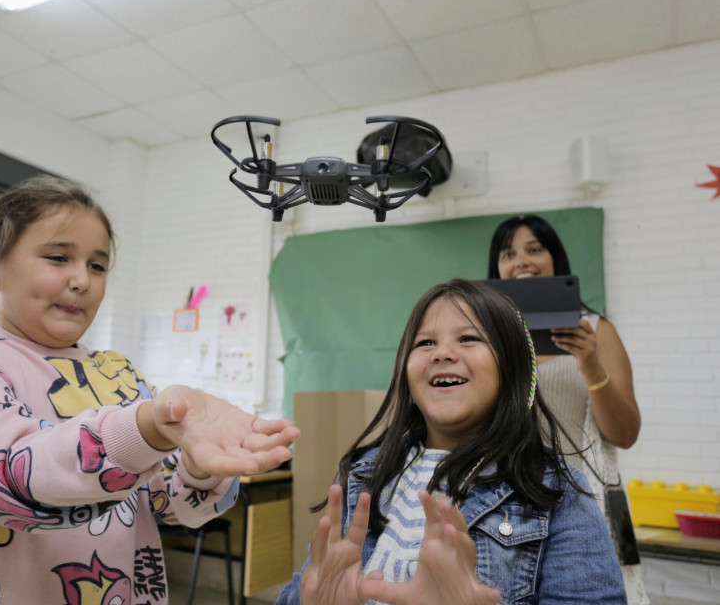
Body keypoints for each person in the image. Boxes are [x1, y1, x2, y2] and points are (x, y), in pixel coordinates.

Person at [0, 175, 300, 605]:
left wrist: (198, 464)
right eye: (57, 258)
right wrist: (143, 430)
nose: (81, 280)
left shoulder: (118, 374)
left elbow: (169, 503)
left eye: (97, 265)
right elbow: (7, 478)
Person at [277, 279, 626, 605]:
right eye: (425, 342)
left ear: (512, 368)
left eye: (468, 339)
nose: (442, 353)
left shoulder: (559, 492)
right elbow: (309, 584)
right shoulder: (362, 476)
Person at [487, 214, 646, 603]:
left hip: (582, 510)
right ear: (498, 271)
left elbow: (625, 435)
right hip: (503, 512)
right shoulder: (485, 338)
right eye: (508, 253)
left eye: (534, 249)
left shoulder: (596, 329)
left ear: (556, 260)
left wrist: (590, 364)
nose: (521, 260)